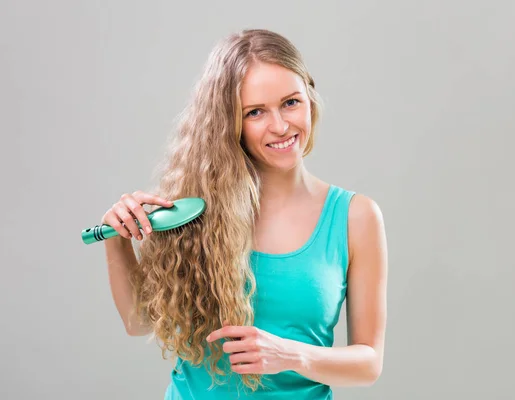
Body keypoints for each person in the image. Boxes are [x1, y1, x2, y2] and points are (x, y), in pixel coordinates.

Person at [101, 29, 388, 400]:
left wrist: (291, 355)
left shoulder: (356, 217)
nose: (281, 126)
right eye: (255, 112)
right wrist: (117, 239)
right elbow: (139, 322)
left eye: (291, 102)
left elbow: (368, 363)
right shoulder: (189, 210)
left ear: (310, 98)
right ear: (228, 123)